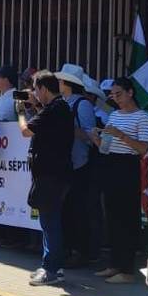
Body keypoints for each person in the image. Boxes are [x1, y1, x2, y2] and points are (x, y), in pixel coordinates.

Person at [90, 78, 148, 284]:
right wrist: (96, 138)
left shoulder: (141, 117)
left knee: (126, 217)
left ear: (130, 93)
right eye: (113, 95)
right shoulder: (114, 115)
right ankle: (114, 264)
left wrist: (121, 135)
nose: (115, 98)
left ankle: (126, 269)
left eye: (119, 94)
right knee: (113, 216)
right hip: (111, 163)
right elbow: (105, 147)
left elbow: (143, 148)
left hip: (128, 166)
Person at [17, 70, 74, 286]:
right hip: (53, 173)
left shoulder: (56, 109)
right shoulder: (57, 108)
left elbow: (26, 131)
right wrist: (36, 107)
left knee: (50, 221)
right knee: (48, 220)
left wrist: (21, 112)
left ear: (43, 89)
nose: (34, 93)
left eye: (35, 89)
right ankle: (50, 264)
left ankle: (52, 269)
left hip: (51, 175)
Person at [54, 63, 99, 268]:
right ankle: (67, 248)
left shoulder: (82, 104)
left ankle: (82, 251)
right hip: (64, 163)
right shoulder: (62, 102)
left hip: (79, 164)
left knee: (78, 208)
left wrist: (65, 130)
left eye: (61, 80)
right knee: (65, 209)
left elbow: (91, 137)